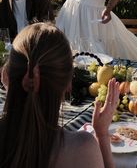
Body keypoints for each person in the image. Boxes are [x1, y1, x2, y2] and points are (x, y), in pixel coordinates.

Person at [0, 22, 119, 168]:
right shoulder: (81, 149)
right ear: (69, 83)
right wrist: (102, 134)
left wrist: (13, 92)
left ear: (6, 75)